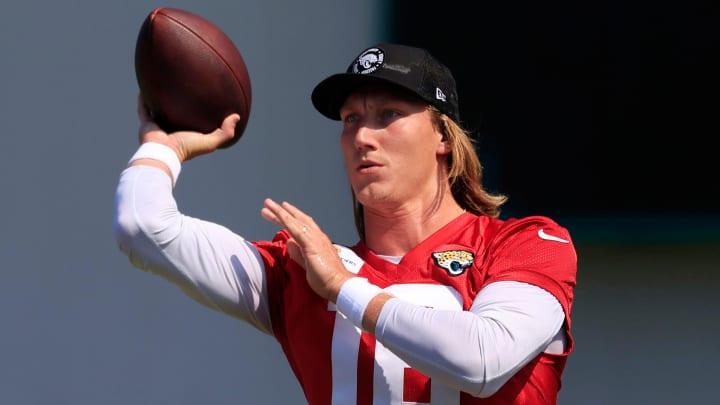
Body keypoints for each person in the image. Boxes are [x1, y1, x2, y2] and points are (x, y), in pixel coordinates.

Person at [114, 43, 577, 404]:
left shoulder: (528, 243)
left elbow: (481, 359)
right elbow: (142, 227)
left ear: (442, 135)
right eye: (350, 119)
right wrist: (163, 147)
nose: (361, 137)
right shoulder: (299, 270)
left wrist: (342, 287)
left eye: (388, 115)